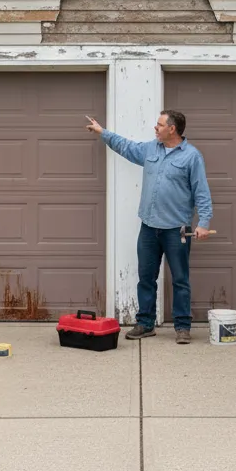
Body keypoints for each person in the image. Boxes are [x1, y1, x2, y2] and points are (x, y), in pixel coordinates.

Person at [85, 110, 212, 344]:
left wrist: (203, 223)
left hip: (177, 230)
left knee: (180, 279)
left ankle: (182, 327)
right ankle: (145, 323)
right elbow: (126, 146)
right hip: (149, 228)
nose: (156, 128)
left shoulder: (192, 157)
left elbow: (201, 192)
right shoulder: (151, 149)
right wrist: (103, 132)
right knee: (146, 277)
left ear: (172, 129)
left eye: (159, 124)